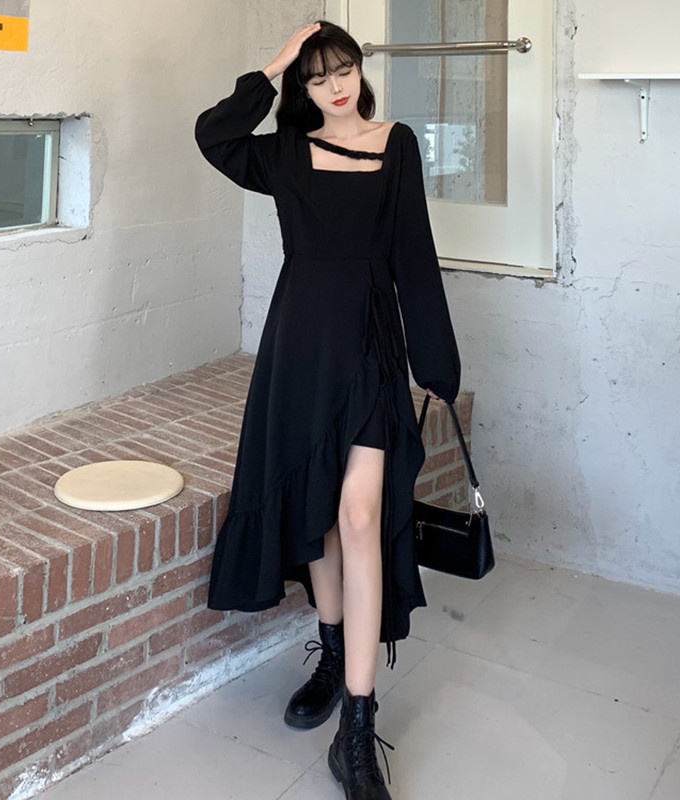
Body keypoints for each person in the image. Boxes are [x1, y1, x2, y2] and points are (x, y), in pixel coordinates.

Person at [195, 20, 460, 800]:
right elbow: (214, 135)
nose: (334, 86)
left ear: (359, 71)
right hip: (301, 352)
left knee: (359, 515)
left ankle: (357, 724)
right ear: (300, 88)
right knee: (317, 508)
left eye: (342, 69)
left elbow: (414, 254)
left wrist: (435, 363)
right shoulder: (282, 154)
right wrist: (274, 63)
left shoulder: (396, 143)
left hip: (371, 348)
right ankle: (333, 652)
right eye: (315, 77)